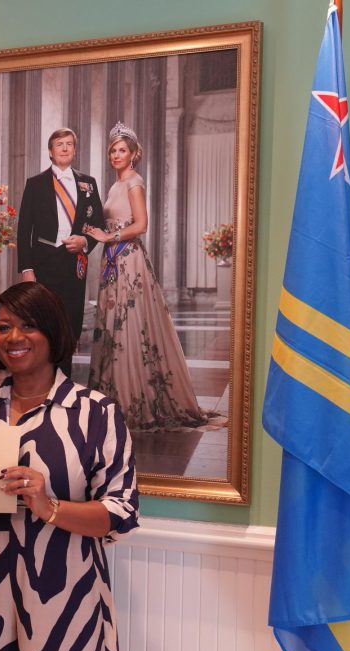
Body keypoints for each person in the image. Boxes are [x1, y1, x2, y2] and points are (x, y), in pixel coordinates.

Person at [0, 282, 138, 651]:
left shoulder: (96, 413)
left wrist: (49, 507)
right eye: (3, 327)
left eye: (29, 325)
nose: (14, 337)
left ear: (53, 332)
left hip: (65, 599)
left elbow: (121, 513)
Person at [85, 122, 209, 430]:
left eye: (121, 150)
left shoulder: (134, 182)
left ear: (133, 154)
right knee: (113, 323)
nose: (116, 155)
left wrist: (110, 237)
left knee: (130, 324)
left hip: (128, 261)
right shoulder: (114, 185)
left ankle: (133, 399)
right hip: (112, 261)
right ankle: (114, 394)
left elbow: (141, 225)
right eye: (112, 150)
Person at [16, 127, 106, 376]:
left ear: (74, 150)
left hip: (74, 263)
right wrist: (26, 269)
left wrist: (85, 241)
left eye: (69, 144)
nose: (65, 148)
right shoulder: (35, 184)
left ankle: (63, 379)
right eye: (59, 144)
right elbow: (24, 231)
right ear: (50, 152)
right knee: (43, 322)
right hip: (43, 263)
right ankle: (41, 377)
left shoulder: (88, 184)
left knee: (70, 323)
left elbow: (99, 224)